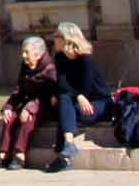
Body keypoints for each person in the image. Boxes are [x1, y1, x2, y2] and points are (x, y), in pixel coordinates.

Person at [46, 21, 110, 172]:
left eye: (56, 36)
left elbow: (86, 90)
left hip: (97, 104)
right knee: (63, 100)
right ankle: (69, 144)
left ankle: (64, 159)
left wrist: (80, 96)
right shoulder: (60, 57)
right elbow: (61, 83)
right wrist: (78, 96)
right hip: (76, 104)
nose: (54, 39)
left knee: (64, 105)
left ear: (66, 38)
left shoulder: (86, 59)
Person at [0, 35, 58, 170]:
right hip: (27, 104)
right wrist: (8, 106)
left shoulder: (50, 68)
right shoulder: (25, 66)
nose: (23, 55)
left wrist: (30, 108)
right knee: (10, 117)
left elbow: (47, 96)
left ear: (38, 54)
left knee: (28, 118)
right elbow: (18, 90)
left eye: (26, 52)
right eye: (23, 52)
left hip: (45, 107)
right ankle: (3, 155)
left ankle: (20, 155)